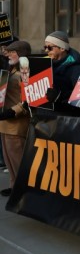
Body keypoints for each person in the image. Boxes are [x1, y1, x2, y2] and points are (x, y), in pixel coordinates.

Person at [0, 41, 31, 196]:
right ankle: (14, 186)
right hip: (5, 122)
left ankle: (23, 190)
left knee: (18, 159)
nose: (8, 54)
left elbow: (28, 99)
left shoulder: (24, 71)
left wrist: (14, 112)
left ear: (21, 53)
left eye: (12, 52)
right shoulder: (10, 68)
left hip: (17, 122)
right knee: (8, 159)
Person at [43, 31, 80, 117]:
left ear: (62, 48)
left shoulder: (76, 68)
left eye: (50, 47)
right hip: (45, 116)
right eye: (45, 47)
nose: (46, 50)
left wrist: (60, 96)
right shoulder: (46, 64)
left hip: (65, 119)